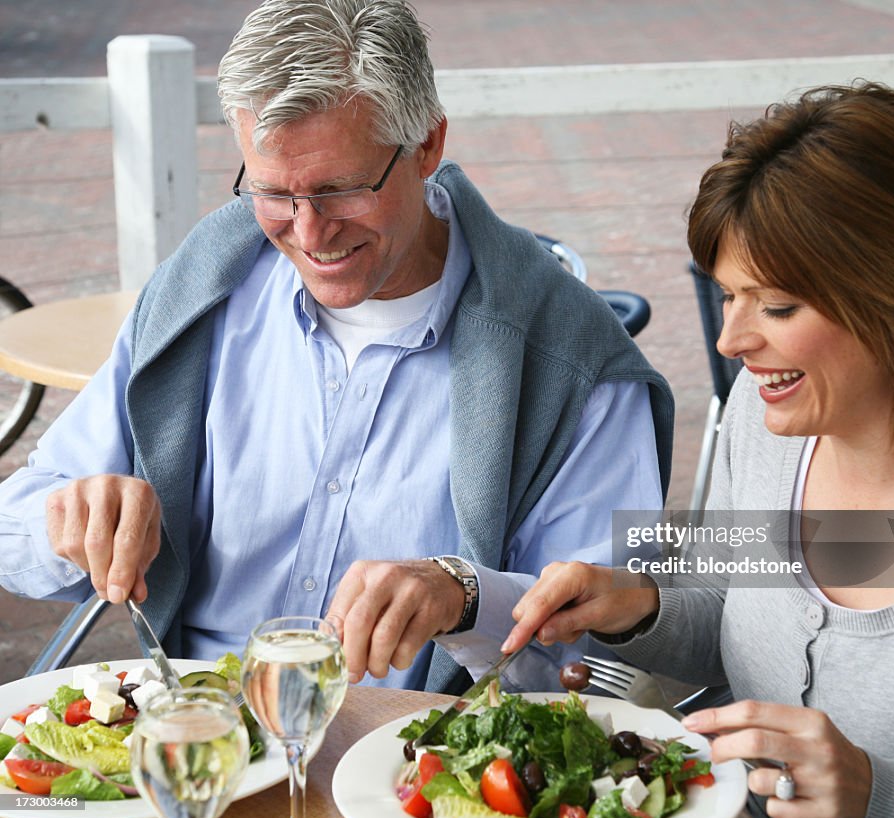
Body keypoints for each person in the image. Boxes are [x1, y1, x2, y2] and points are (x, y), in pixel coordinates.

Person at [0, 0, 674, 694]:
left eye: (340, 189)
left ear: (428, 146)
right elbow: (12, 526)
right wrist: (69, 521)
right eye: (271, 192)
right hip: (197, 730)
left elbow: (593, 665)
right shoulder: (204, 284)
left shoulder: (576, 361)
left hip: (411, 762)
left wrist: (466, 598)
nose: (309, 232)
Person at [504, 82, 894, 818]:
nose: (730, 341)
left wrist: (884, 797)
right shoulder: (765, 415)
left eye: (777, 306)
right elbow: (729, 609)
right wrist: (638, 608)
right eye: (727, 296)